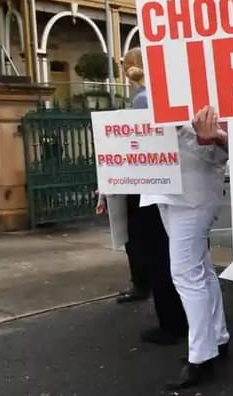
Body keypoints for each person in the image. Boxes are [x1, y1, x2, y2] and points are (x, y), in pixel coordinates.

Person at [97, 48, 188, 345]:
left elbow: (131, 150)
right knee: (173, 258)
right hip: (167, 186)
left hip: (147, 190)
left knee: (157, 256)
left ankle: (172, 324)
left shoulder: (141, 100)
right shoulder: (159, 97)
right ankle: (181, 322)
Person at [140, 115, 230, 389]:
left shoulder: (206, 99)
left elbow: (220, 155)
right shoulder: (158, 98)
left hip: (192, 194)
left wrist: (190, 130)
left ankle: (202, 357)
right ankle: (216, 337)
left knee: (185, 272)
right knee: (198, 267)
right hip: (163, 189)